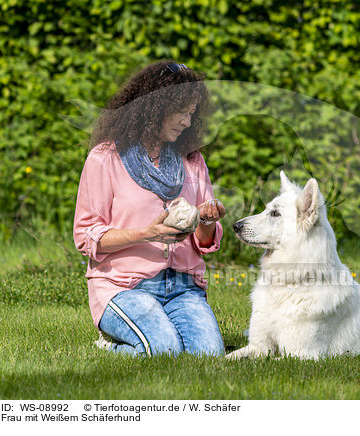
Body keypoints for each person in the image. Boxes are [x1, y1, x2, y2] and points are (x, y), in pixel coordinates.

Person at [73, 61, 226, 357]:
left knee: (208, 357)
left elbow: (205, 243)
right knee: (164, 351)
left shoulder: (192, 161)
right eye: (181, 112)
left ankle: (144, 338)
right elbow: (86, 238)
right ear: (155, 107)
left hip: (183, 287)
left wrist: (207, 221)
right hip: (124, 287)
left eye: (191, 114)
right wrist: (148, 233)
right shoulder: (106, 158)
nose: (186, 121)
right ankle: (111, 345)